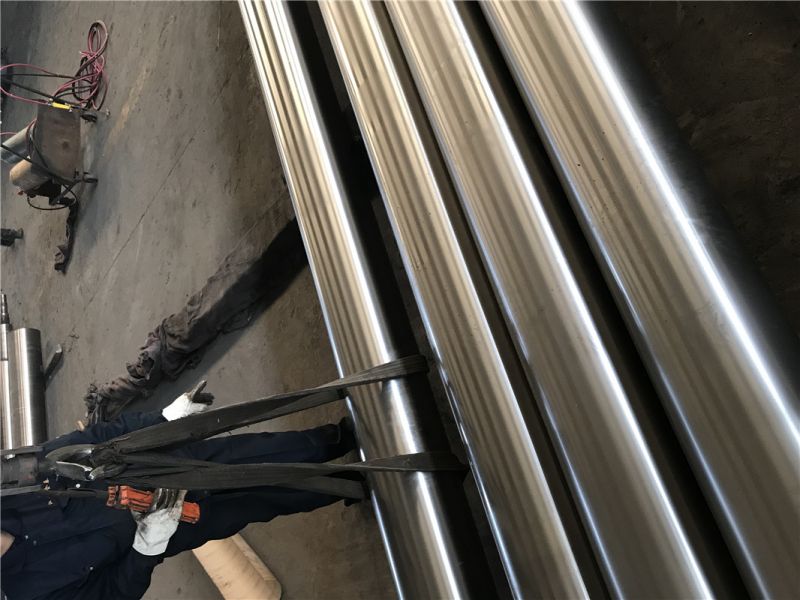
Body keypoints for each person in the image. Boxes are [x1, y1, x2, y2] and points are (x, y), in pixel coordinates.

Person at [0, 383, 357, 600]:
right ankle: (349, 483)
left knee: (255, 451)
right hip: (175, 525)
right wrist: (147, 548)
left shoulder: (12, 483)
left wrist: (163, 419)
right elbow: (114, 592)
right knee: (262, 501)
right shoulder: (30, 592)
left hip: (163, 463)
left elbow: (93, 440)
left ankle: (338, 439)